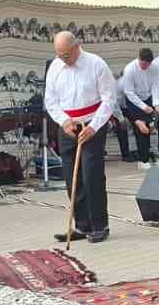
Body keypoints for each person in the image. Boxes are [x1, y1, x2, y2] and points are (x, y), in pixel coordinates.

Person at [46, 31, 116, 243]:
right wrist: (64, 121)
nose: (63, 59)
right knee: (71, 177)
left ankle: (99, 225)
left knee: (91, 174)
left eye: (67, 54)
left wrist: (94, 126)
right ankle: (82, 225)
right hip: (68, 126)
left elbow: (109, 98)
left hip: (92, 124)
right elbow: (51, 100)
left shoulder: (96, 64)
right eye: (59, 54)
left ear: (78, 46)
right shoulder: (56, 67)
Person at [119, 48, 159, 171]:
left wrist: (156, 104)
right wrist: (143, 107)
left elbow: (156, 86)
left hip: (148, 97)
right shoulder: (129, 69)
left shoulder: (155, 68)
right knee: (141, 129)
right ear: (139, 58)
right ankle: (143, 160)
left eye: (147, 65)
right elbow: (129, 93)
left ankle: (147, 156)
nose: (145, 66)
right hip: (133, 100)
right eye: (143, 64)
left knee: (149, 127)